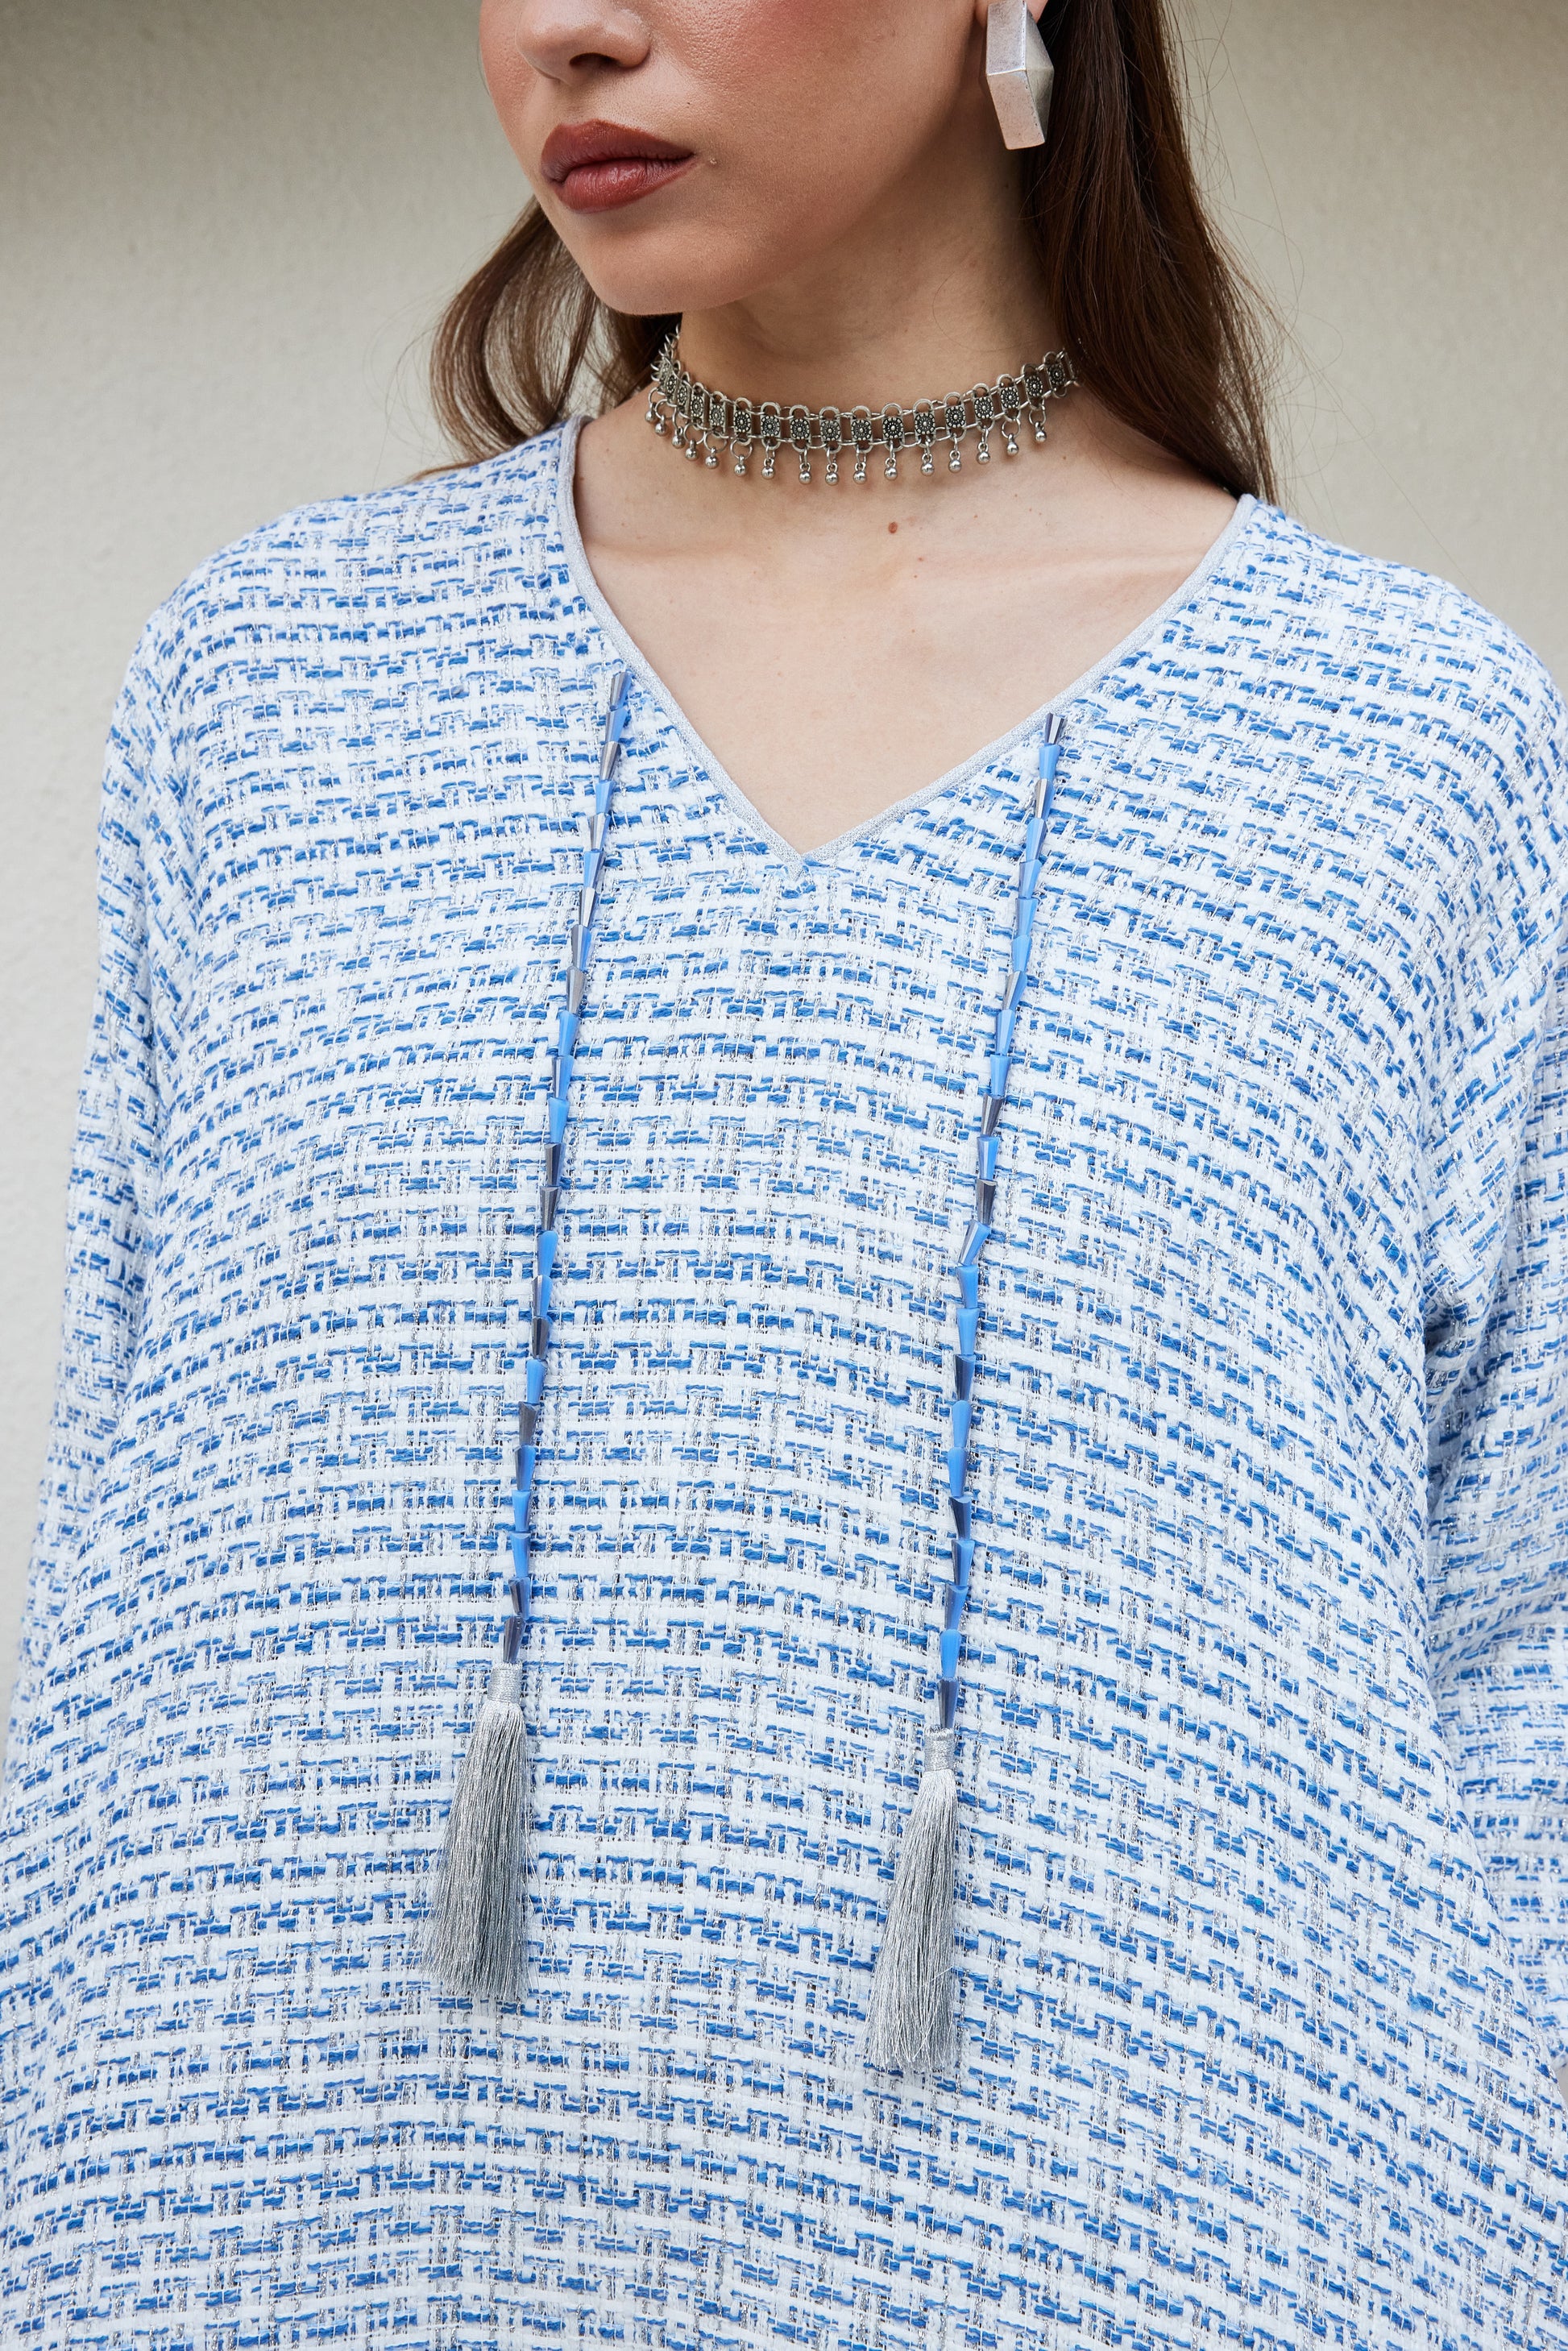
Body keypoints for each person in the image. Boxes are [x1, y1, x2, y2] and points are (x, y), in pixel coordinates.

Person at [4, 0, 1566, 2341]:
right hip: (265, 2228)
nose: (570, 30)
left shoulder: (1400, 744)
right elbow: (120, 1559)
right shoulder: (275, 680)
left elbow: (1522, 1648)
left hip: (1156, 2236)